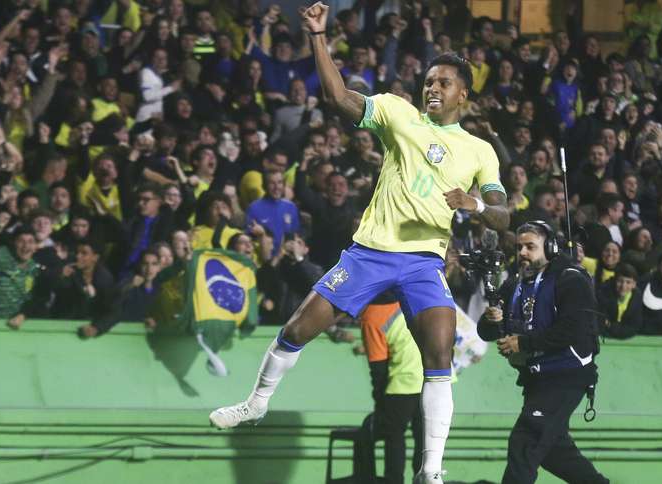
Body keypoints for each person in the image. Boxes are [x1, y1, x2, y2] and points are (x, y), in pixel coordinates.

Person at [209, 3, 510, 483]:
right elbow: (336, 96)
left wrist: (473, 205)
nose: (432, 87)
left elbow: (503, 213)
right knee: (299, 327)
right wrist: (318, 36)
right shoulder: (397, 113)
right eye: (428, 80)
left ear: (463, 96)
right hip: (369, 253)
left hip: (423, 263)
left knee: (440, 354)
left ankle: (431, 470)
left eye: (443, 83)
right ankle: (256, 403)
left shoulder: (479, 150)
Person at [477, 221, 607, 484]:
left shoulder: (571, 277)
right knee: (552, 451)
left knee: (525, 441)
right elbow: (485, 332)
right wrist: (492, 320)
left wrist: (523, 343)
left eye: (530, 246)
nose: (523, 252)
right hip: (537, 380)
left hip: (567, 375)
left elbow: (573, 329)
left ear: (550, 248)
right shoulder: (515, 283)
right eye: (519, 247)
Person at [359, 294, 424, 484]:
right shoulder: (415, 299)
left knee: (394, 438)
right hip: (434, 381)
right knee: (426, 442)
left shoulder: (372, 316)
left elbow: (378, 369)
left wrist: (380, 403)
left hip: (403, 384)